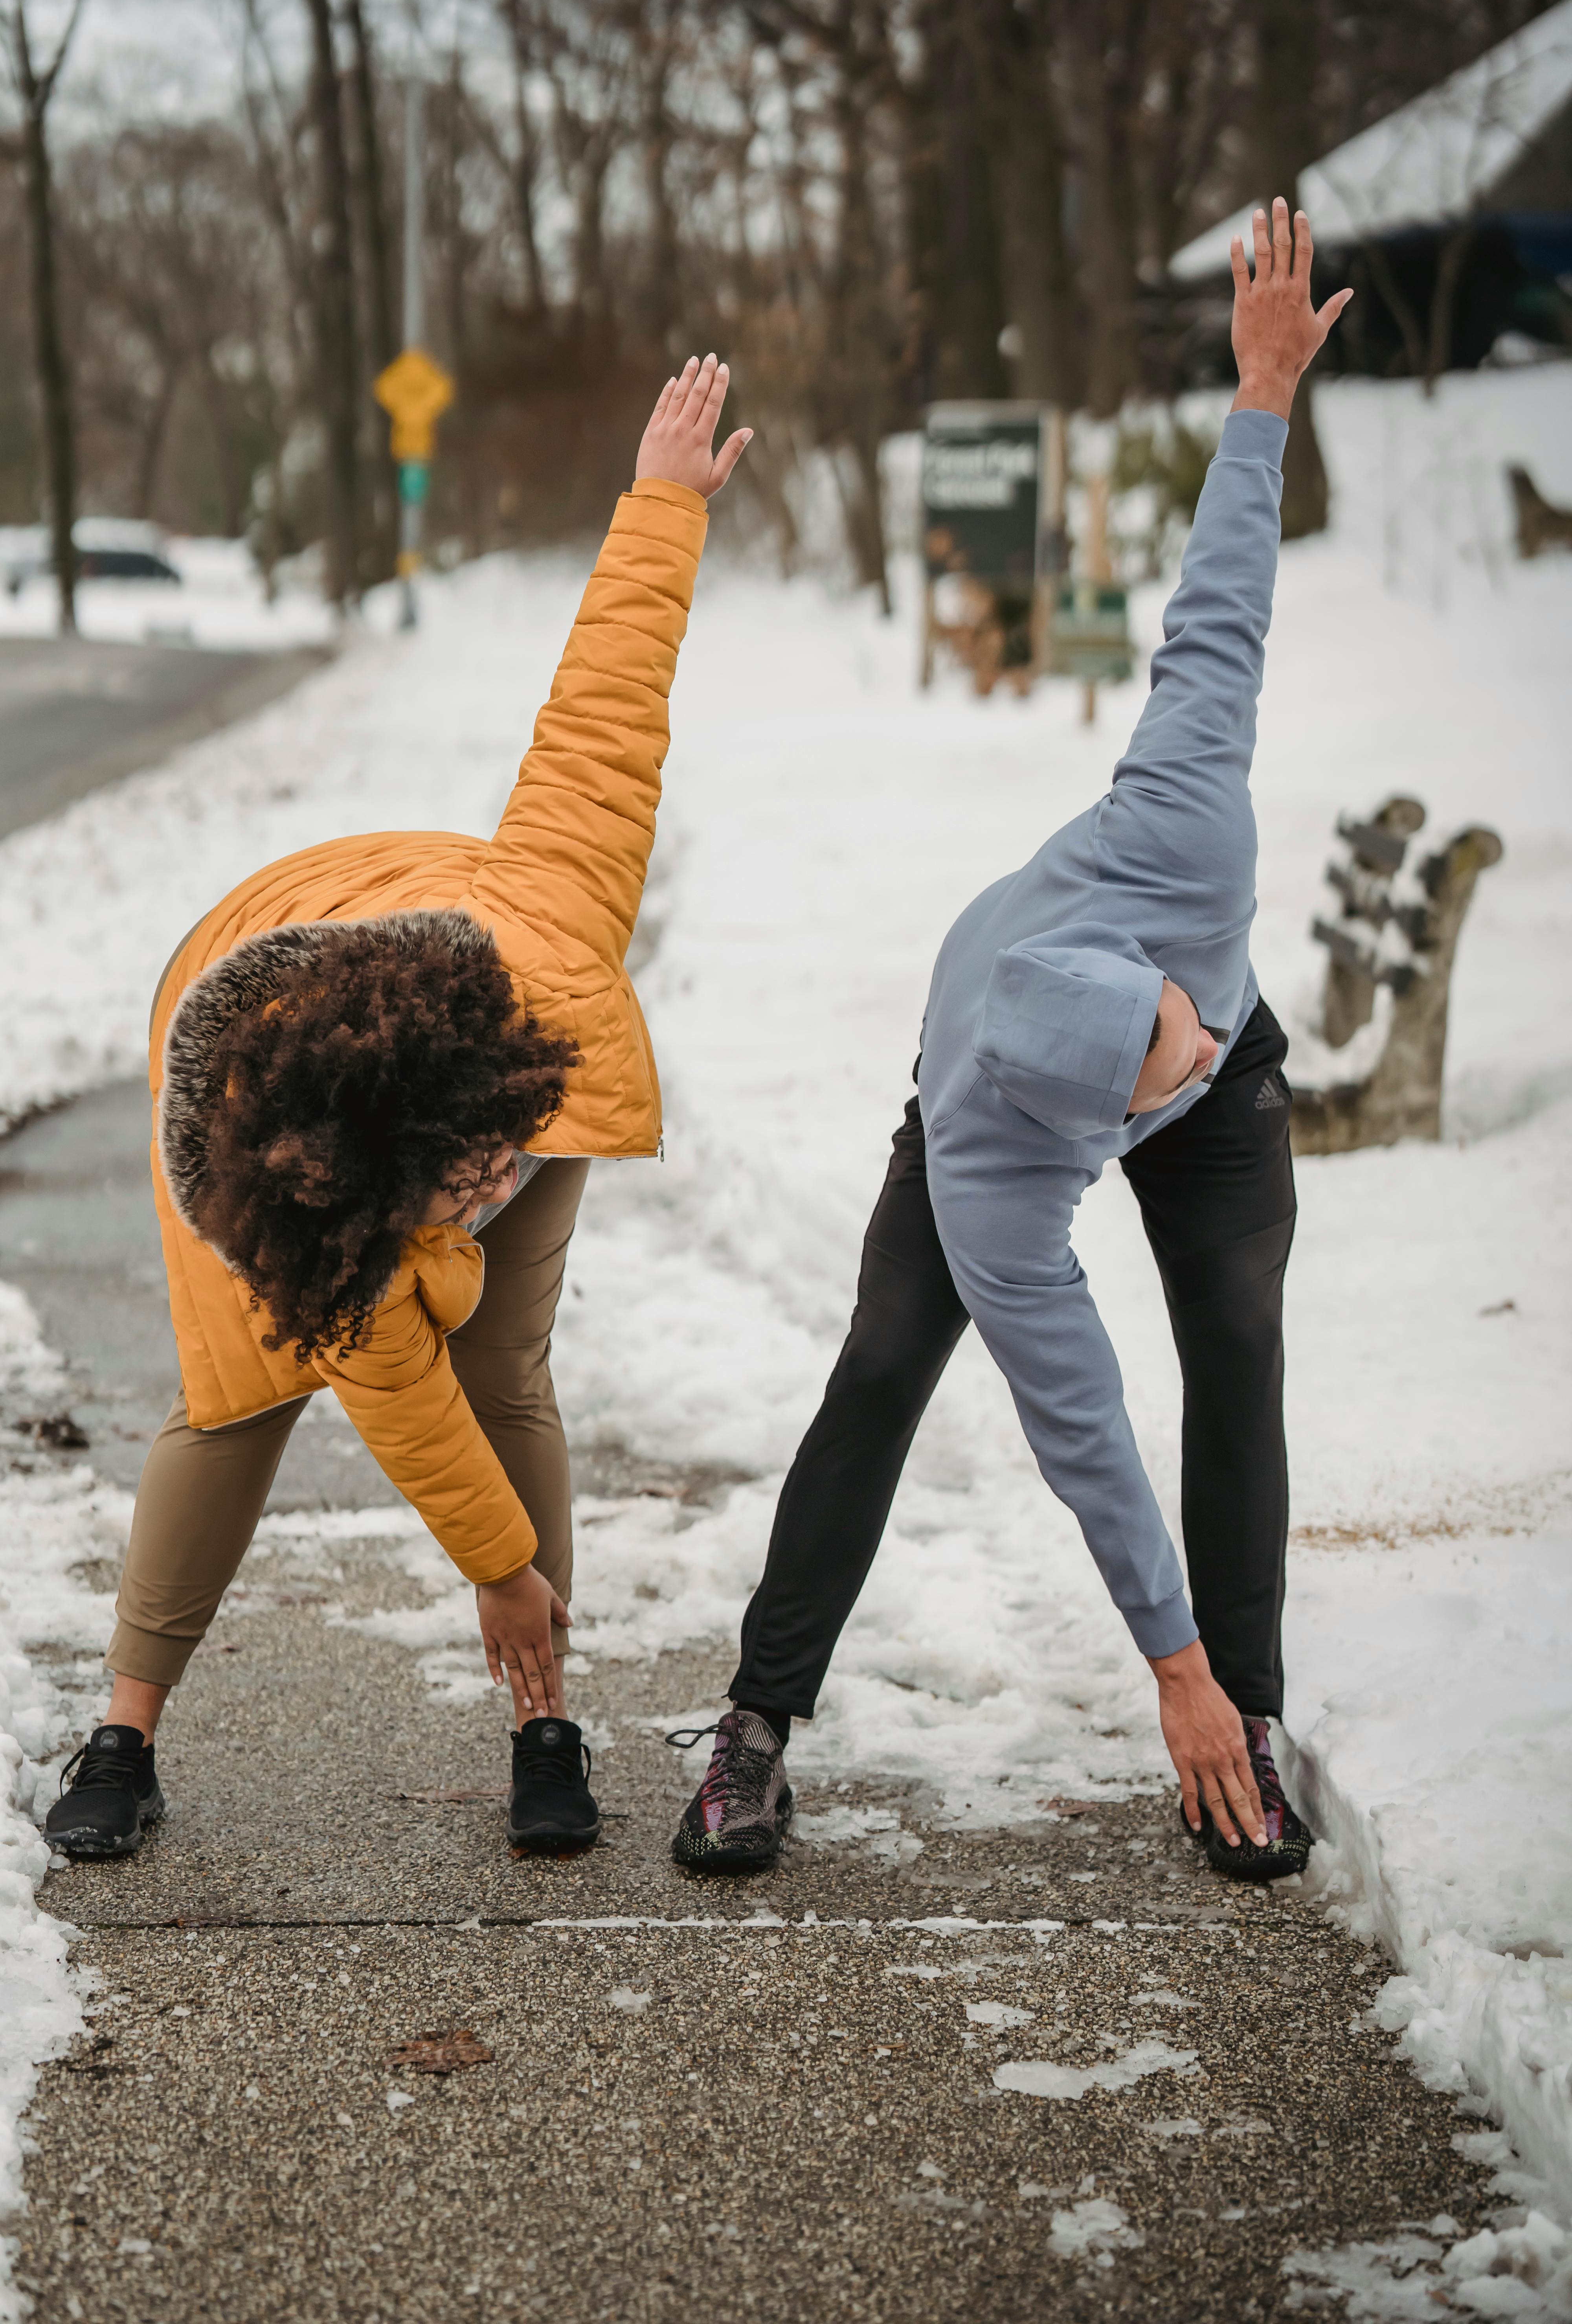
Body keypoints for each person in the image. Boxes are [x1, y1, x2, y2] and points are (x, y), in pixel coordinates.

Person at [675, 202, 1352, 1883]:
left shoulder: (1184, 827)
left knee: (1240, 1335)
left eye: (1167, 1046)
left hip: (1158, 973)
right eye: (1148, 1079)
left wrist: (1259, 393)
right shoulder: (991, 1167)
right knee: (887, 1362)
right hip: (979, 1088)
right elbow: (1083, 1432)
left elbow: (1221, 601)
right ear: (1071, 1122)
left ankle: (1248, 1733)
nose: (1175, 1070)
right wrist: (1157, 1665)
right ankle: (756, 1725)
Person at [47, 355, 751, 1864]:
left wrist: (660, 511)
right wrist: (493, 1566)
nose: (498, 1181)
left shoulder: (540, 950)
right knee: (234, 1401)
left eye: (498, 1154)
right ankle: (125, 1726)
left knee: (500, 1367)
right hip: (246, 1027)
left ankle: (543, 1723)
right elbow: (387, 1385)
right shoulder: (296, 1210)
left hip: (443, 971)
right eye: (466, 1180)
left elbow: (600, 731)